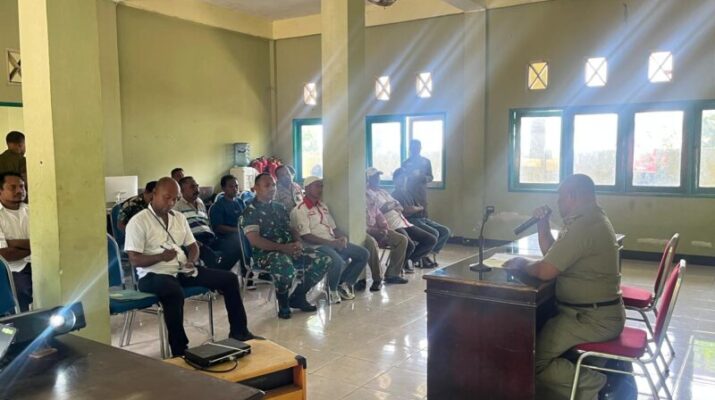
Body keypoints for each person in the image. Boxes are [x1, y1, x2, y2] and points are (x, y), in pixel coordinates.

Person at [503, 174, 625, 400]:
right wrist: (542, 224)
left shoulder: (584, 225)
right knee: (538, 339)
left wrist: (521, 263)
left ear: (572, 196)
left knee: (529, 360)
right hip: (592, 312)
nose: (558, 203)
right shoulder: (590, 218)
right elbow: (552, 254)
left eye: (560, 197)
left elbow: (546, 270)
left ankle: (598, 384)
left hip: (591, 318)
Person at [125, 177, 258, 356]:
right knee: (174, 292)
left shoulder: (179, 218)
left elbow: (193, 246)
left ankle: (239, 332)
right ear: (154, 194)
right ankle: (180, 350)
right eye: (167, 197)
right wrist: (160, 257)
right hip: (153, 275)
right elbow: (134, 260)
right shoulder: (138, 221)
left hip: (181, 270)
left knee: (230, 279)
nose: (171, 203)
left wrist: (191, 261)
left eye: (175, 199)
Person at [241, 173, 331, 319]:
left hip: (289, 249)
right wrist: (283, 248)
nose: (272, 188)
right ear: (256, 188)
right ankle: (283, 303)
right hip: (266, 254)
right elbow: (254, 240)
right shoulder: (250, 211)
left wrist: (297, 242)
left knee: (324, 260)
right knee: (285, 265)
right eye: (267, 185)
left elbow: (292, 229)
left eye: (273, 185)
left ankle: (298, 297)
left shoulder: (279, 207)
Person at [291, 176, 369, 303]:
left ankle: (343, 284)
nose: (320, 189)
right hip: (315, 246)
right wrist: (331, 243)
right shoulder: (300, 209)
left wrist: (342, 237)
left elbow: (334, 228)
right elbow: (306, 236)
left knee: (363, 253)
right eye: (317, 186)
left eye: (321, 186)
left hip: (331, 241)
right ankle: (333, 290)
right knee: (337, 261)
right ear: (307, 188)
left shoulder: (322, 206)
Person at [366, 168, 436, 272]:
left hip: (403, 221)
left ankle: (409, 261)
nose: (378, 179)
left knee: (430, 239)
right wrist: (392, 205)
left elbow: (400, 206)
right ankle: (395, 270)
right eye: (374, 177)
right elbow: (381, 209)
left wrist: (391, 205)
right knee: (409, 244)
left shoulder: (383, 192)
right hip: (390, 224)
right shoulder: (367, 193)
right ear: (368, 179)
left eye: (378, 177)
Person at [174, 176, 241, 271]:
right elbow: (178, 231)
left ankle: (220, 272)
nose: (196, 189)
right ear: (182, 190)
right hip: (195, 239)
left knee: (238, 247)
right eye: (192, 187)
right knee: (211, 257)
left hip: (210, 237)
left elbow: (206, 224)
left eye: (197, 186)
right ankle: (220, 272)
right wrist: (192, 242)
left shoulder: (200, 202)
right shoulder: (177, 206)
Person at [393, 168, 451, 266]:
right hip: (409, 221)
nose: (403, 180)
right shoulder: (395, 194)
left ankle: (425, 254)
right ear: (395, 180)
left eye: (405, 178)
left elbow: (419, 207)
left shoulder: (408, 193)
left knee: (445, 231)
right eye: (401, 178)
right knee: (434, 233)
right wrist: (415, 209)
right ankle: (420, 257)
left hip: (420, 218)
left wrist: (415, 209)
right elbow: (406, 211)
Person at [364, 184, 409, 287]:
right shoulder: (356, 201)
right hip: (365, 232)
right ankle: (377, 279)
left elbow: (379, 215)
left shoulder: (371, 197)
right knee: (372, 243)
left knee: (401, 240)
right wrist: (375, 231)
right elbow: (359, 225)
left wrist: (384, 229)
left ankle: (392, 275)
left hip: (378, 229)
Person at [0, 173, 31, 312]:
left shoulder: (32, 210)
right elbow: (5, 255)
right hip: (14, 268)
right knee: (22, 292)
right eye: (13, 187)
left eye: (22, 186)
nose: (19, 191)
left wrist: (12, 243)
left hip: (40, 263)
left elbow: (47, 243)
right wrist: (35, 246)